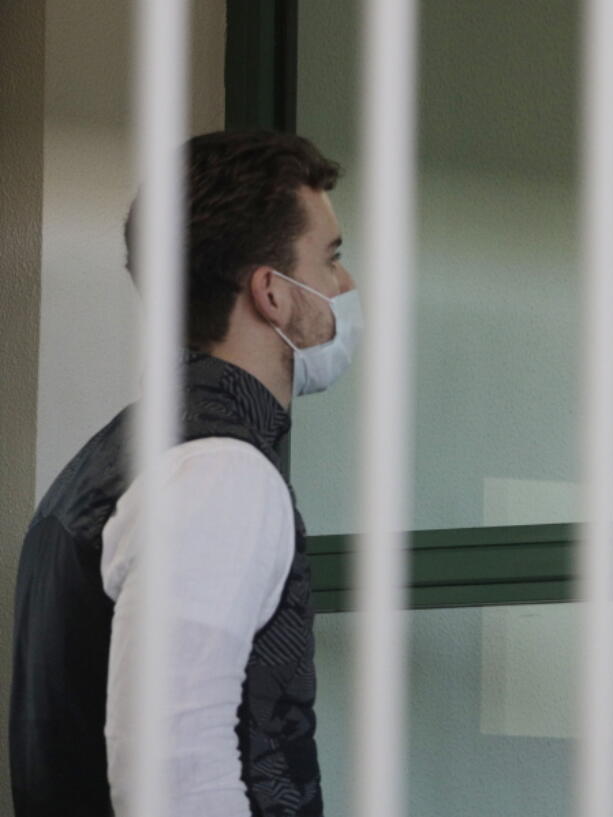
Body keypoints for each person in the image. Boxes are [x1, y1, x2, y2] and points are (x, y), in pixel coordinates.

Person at [10, 130, 359, 816]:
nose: (345, 285)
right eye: (332, 258)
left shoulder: (121, 455)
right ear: (272, 293)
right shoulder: (220, 473)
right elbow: (172, 779)